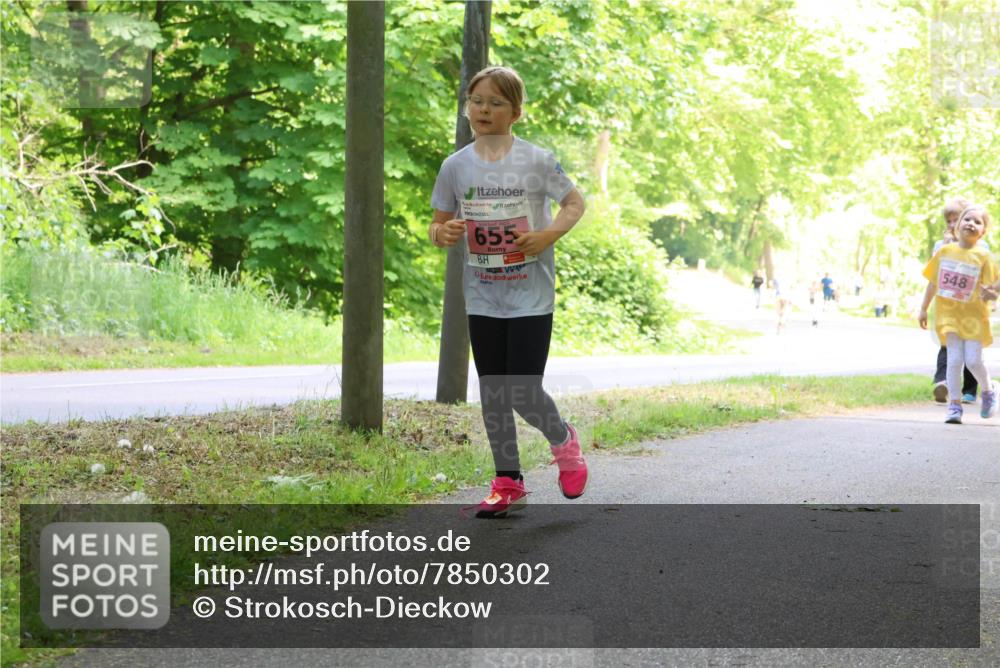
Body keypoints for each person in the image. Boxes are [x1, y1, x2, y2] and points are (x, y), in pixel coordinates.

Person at [429, 66, 588, 517]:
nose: (483, 109)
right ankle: (507, 480)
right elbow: (438, 225)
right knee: (494, 391)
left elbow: (574, 203)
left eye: (495, 102)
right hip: (482, 295)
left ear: (515, 112)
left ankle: (563, 441)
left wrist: (546, 236)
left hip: (529, 295)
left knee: (522, 388)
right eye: (476, 100)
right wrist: (443, 233)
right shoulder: (455, 166)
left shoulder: (536, 160)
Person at [918, 205, 998, 423]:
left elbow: (993, 286)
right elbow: (933, 282)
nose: (971, 223)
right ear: (957, 226)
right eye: (967, 219)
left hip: (973, 318)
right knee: (953, 361)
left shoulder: (983, 256)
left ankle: (989, 391)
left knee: (973, 361)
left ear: (983, 232)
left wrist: (991, 294)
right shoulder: (944, 252)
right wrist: (924, 308)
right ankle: (954, 406)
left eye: (977, 222)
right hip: (949, 316)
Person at [929, 197, 982, 403]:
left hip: (970, 306)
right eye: (949, 221)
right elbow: (934, 272)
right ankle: (942, 382)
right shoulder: (940, 245)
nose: (952, 225)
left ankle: (970, 389)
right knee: (946, 344)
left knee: (971, 349)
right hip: (947, 304)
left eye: (956, 220)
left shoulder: (978, 243)